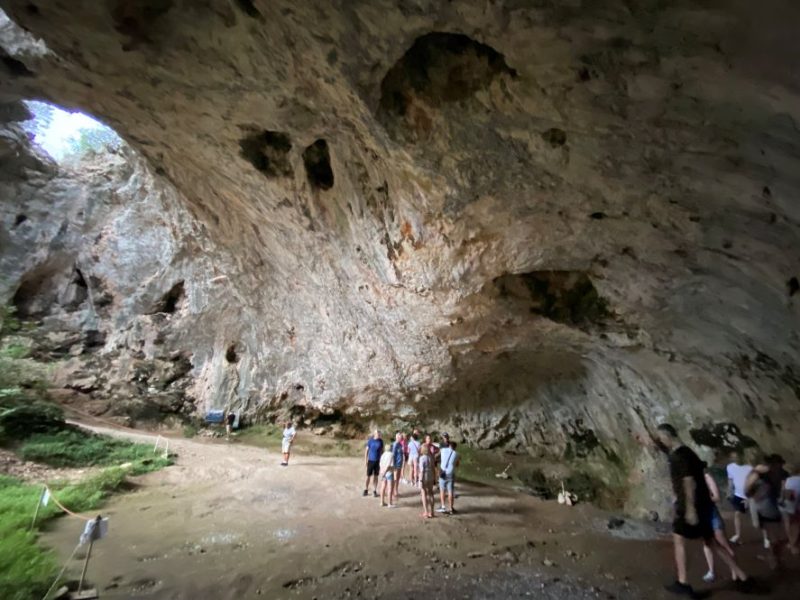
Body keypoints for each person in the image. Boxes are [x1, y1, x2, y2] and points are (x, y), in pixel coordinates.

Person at [656, 424, 752, 598]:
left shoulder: (680, 456)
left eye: (661, 438)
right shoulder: (687, 453)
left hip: (691, 506)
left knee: (680, 540)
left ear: (668, 436)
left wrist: (690, 509)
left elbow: (688, 481)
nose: (661, 441)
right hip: (701, 504)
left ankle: (683, 583)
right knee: (710, 542)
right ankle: (742, 576)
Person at [745, 454, 789, 569]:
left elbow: (747, 490)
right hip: (767, 505)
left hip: (767, 504)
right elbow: (747, 490)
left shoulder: (769, 474)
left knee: (775, 535)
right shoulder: (764, 474)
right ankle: (775, 559)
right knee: (775, 535)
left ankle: (775, 558)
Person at [701, 464, 737, 583]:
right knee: (707, 545)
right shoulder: (691, 480)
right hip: (702, 518)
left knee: (723, 545)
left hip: (712, 516)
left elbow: (716, 497)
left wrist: (703, 500)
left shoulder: (707, 477)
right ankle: (711, 572)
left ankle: (735, 572)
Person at [726, 451, 753, 544]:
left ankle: (766, 537)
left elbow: (754, 483)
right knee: (737, 514)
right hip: (738, 494)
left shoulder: (749, 467)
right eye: (733, 457)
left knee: (757, 517)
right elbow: (730, 480)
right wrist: (729, 492)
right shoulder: (730, 467)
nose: (736, 459)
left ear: (741, 456)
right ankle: (738, 535)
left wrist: (749, 498)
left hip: (750, 495)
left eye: (737, 457)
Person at [437, 438, 460, 515]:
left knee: (442, 490)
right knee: (450, 491)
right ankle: (451, 508)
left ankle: (443, 507)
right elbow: (457, 465)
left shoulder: (443, 450)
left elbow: (438, 451)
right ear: (455, 447)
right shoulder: (457, 454)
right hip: (451, 474)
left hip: (443, 473)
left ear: (449, 446)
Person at [783, 464, 800, 554]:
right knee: (796, 526)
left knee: (792, 525)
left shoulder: (789, 480)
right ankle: (793, 544)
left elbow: (787, 495)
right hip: (797, 506)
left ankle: (792, 543)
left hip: (791, 506)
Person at [363, 430, 383, 497]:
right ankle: (366, 489)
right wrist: (365, 461)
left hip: (377, 461)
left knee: (376, 476)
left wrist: (382, 460)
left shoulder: (381, 441)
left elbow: (381, 451)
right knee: (368, 476)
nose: (379, 435)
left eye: (380, 434)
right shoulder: (370, 441)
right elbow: (366, 451)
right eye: (378, 434)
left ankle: (374, 490)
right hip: (370, 461)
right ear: (375, 434)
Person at [418, 443, 435, 518]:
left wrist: (420, 480)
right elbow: (433, 468)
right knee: (431, 493)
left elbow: (421, 470)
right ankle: (432, 512)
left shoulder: (422, 458)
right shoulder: (431, 457)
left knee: (423, 493)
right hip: (431, 475)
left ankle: (426, 512)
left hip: (424, 475)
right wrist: (434, 478)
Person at [390, 432, 405, 499]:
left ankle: (396, 490)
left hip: (399, 464)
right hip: (395, 464)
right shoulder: (395, 444)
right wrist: (393, 465)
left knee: (398, 478)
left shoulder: (400, 444)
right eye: (400, 437)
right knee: (395, 479)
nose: (401, 438)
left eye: (401, 437)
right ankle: (392, 492)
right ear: (397, 437)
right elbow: (393, 455)